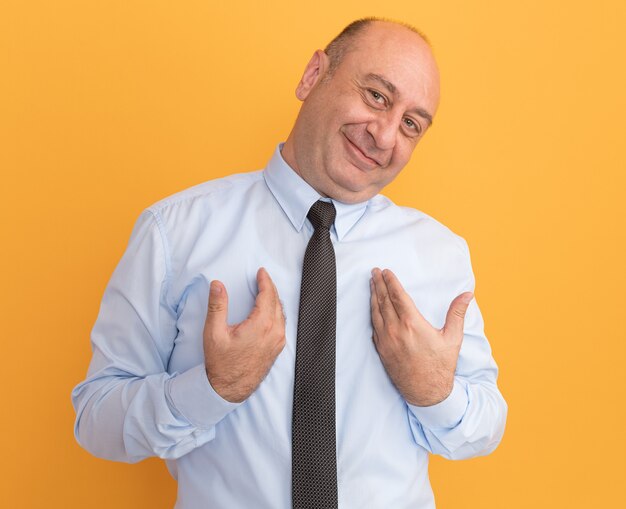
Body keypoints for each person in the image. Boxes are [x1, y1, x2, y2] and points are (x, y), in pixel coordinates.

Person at [72, 17, 507, 509]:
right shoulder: (174, 232)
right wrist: (211, 390)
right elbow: (95, 419)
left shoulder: (439, 253)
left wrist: (435, 392)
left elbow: (487, 424)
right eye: (376, 96)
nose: (385, 136)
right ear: (312, 75)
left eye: (411, 124)